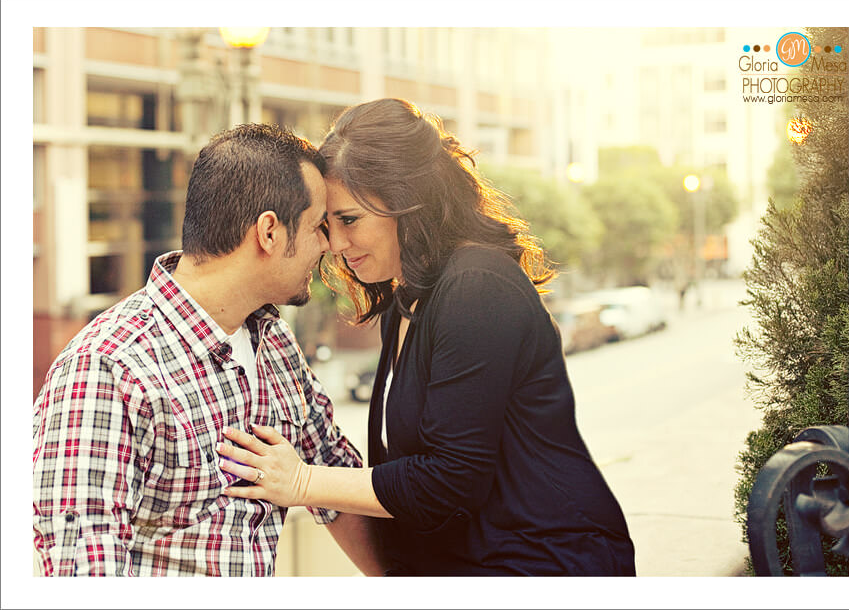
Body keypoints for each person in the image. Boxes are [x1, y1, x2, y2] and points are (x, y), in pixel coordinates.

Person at [218, 99, 636, 576]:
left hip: (546, 563)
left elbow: (449, 481)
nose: (335, 244)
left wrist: (302, 481)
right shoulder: (408, 300)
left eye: (350, 220)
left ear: (408, 201)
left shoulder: (477, 285)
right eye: (326, 226)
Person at [32, 124, 386, 577]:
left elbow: (332, 478)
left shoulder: (274, 342)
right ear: (269, 233)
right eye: (319, 226)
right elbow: (82, 569)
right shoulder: (108, 368)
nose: (331, 245)